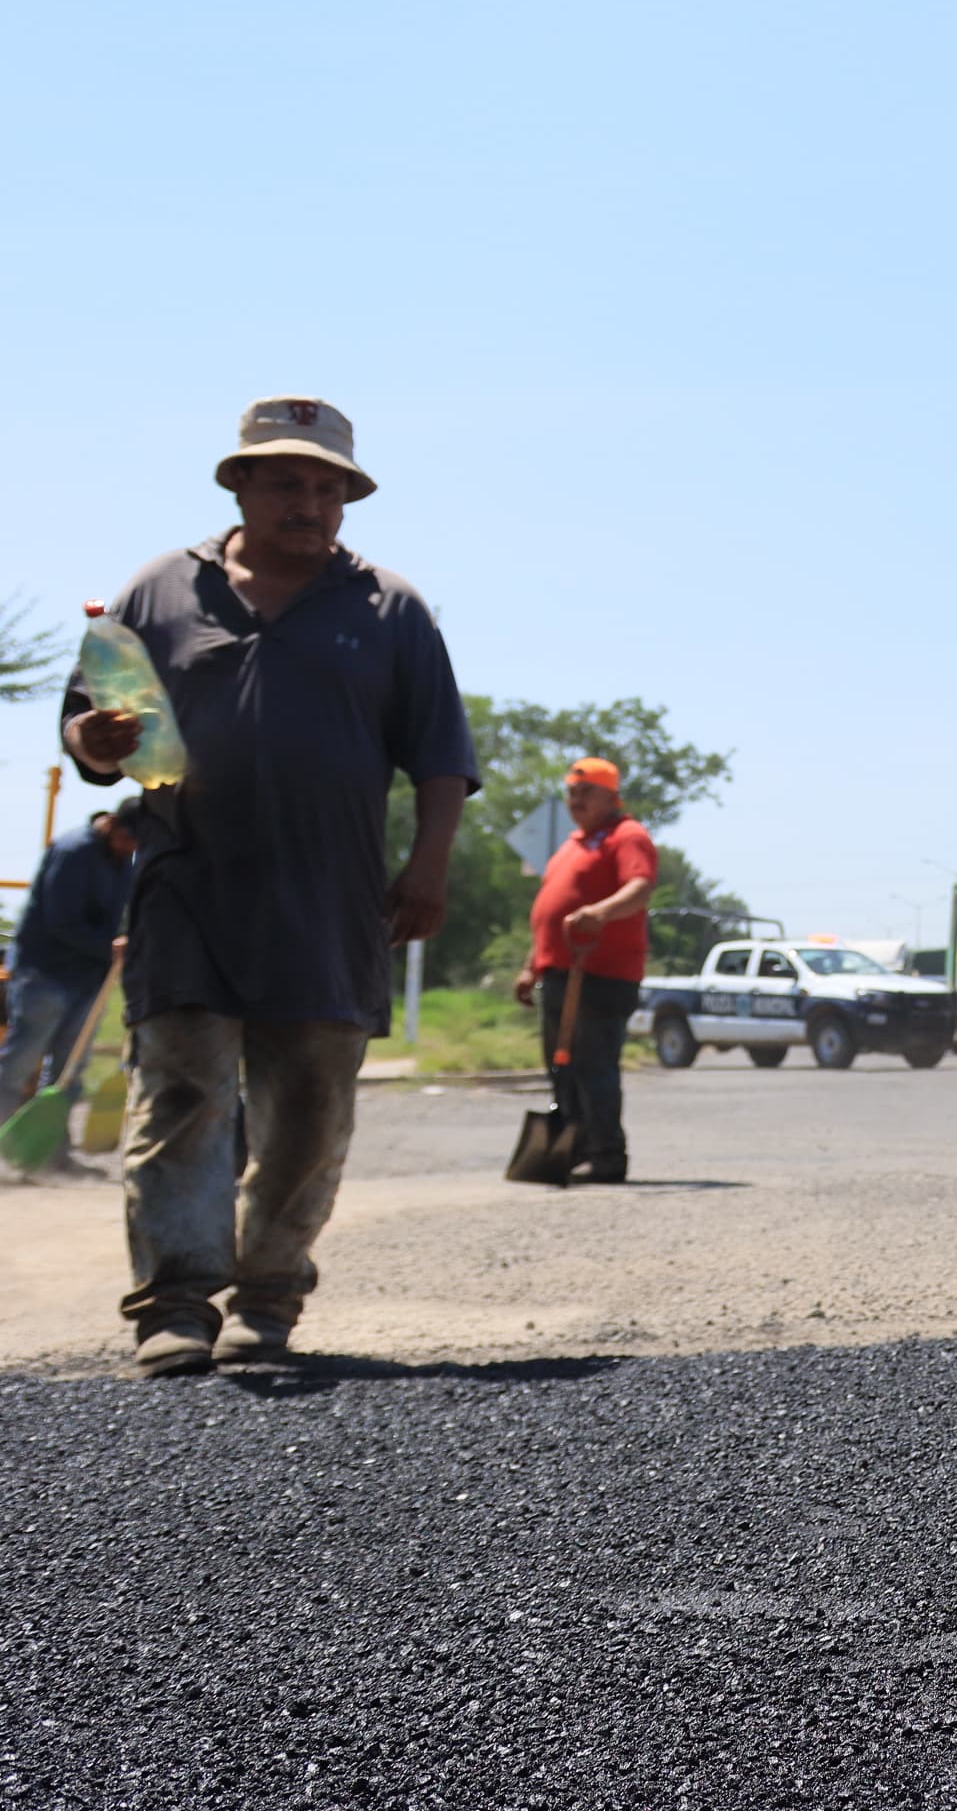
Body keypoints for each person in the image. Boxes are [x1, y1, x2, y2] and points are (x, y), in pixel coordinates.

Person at [60, 395, 476, 1376]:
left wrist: (427, 865)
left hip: (330, 901)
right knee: (183, 1093)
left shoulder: (389, 607)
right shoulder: (160, 590)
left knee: (308, 1107)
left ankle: (270, 1295)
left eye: (329, 486)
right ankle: (176, 1301)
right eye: (287, 480)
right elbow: (91, 727)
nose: (311, 501)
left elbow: (442, 758)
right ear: (238, 483)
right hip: (188, 887)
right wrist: (96, 740)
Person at [508, 757, 657, 1186]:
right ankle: (571, 1148)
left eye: (585, 792)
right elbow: (547, 914)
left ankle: (607, 1155)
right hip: (560, 972)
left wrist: (599, 912)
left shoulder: (626, 836)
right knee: (561, 1067)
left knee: (593, 1066)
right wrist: (530, 967)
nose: (575, 800)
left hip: (602, 975)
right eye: (571, 793)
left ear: (611, 796)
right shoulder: (571, 844)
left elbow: (639, 887)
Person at [0, 809, 142, 1151]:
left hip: (88, 977)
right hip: (46, 973)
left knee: (70, 1071)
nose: (131, 847)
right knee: (20, 1062)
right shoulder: (73, 852)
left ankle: (50, 1151)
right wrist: (107, 947)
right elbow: (60, 921)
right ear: (110, 824)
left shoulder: (122, 860)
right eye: (128, 839)